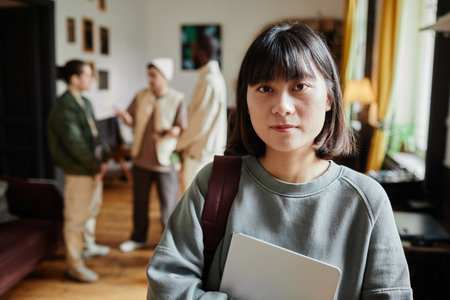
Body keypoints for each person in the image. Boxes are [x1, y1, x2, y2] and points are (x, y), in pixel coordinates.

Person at [146, 22, 413, 299]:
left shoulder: (367, 201)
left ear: (330, 98)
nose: (282, 107)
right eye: (264, 88)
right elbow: (167, 284)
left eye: (300, 86)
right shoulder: (214, 183)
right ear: (246, 102)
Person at [47, 59, 111, 283]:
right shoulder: (64, 106)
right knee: (75, 218)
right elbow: (75, 144)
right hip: (80, 170)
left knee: (91, 209)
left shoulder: (85, 101)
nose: (91, 78)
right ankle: (74, 265)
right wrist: (96, 166)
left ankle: (88, 245)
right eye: (87, 74)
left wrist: (104, 159)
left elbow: (96, 134)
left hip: (93, 168)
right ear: (74, 79)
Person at [115, 57, 187, 253]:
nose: (150, 79)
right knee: (139, 204)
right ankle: (138, 238)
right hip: (140, 159)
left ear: (164, 77)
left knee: (169, 209)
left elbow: (181, 128)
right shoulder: (141, 95)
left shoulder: (177, 98)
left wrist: (170, 131)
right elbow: (132, 122)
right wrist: (125, 117)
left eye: (154, 75)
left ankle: (169, 246)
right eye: (149, 75)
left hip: (164, 162)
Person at [176, 34, 228, 193]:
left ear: (202, 54)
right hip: (206, 154)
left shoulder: (209, 81)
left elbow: (200, 124)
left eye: (193, 50)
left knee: (194, 208)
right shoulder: (213, 78)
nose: (191, 55)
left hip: (200, 156)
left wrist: (178, 145)